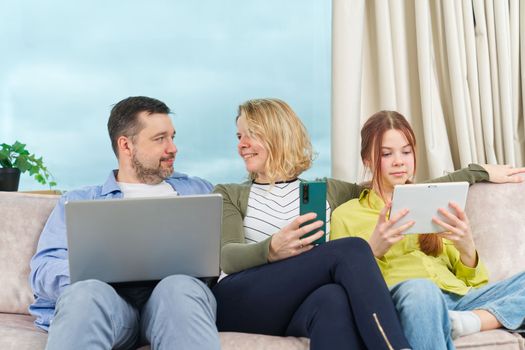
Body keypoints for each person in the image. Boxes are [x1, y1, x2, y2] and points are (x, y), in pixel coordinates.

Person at [211, 98, 508, 349]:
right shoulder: (230, 193)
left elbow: (401, 187)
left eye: (250, 135)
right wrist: (272, 248)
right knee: (352, 249)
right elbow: (226, 255)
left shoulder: (329, 190)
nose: (242, 145)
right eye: (239, 137)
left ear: (277, 135)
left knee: (333, 299)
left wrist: (475, 172)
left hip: (296, 302)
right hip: (244, 298)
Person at [29, 96, 220, 350]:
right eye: (160, 138)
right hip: (112, 309)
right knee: (85, 295)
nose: (173, 148)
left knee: (179, 288)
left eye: (173, 137)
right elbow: (43, 269)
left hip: (176, 306)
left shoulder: (201, 191)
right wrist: (93, 275)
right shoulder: (79, 201)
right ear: (126, 146)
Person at [331, 110, 525, 350]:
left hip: (459, 301)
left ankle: (469, 322)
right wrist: (373, 252)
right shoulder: (347, 215)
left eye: (406, 151)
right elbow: (344, 287)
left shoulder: (436, 201)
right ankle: (471, 321)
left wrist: (467, 247)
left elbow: (475, 283)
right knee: (421, 289)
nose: (399, 161)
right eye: (386, 154)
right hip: (407, 301)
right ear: (367, 160)